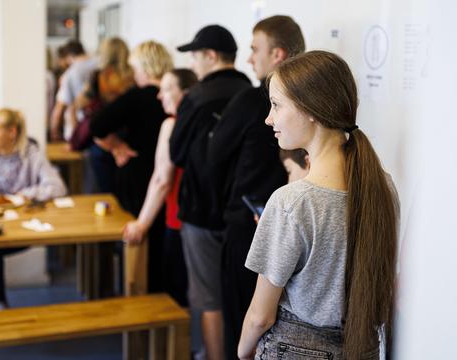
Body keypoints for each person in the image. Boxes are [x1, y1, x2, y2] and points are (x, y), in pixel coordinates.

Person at [237, 51, 398, 360]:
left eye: (276, 105)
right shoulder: (384, 187)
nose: (268, 118)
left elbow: (261, 316)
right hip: (364, 348)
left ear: (310, 108)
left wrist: (242, 351)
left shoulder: (291, 202)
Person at [206, 15, 305, 359]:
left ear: (277, 54)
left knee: (249, 324)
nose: (270, 120)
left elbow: (214, 154)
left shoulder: (251, 100)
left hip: (254, 226)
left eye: (254, 50)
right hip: (275, 226)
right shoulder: (301, 109)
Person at [170, 24, 252, 360]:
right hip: (242, 212)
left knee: (207, 298)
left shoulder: (197, 96)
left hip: (201, 211)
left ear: (210, 56)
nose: (192, 65)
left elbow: (176, 153)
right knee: (239, 294)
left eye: (195, 56)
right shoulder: (252, 92)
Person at [90, 40, 172, 294]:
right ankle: (159, 294)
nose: (133, 73)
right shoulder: (178, 94)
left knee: (138, 237)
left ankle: (136, 291)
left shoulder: (138, 96)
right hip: (170, 177)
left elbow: (97, 126)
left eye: (135, 67)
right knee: (161, 241)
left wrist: (116, 147)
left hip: (138, 176)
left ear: (145, 67)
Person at [0, 108, 66, 311]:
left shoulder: (31, 154)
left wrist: (27, 194)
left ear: (12, 132)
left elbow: (57, 187)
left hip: (25, 227)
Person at [122, 68, 197, 306]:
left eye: (166, 90)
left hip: (178, 218)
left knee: (175, 296)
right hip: (203, 222)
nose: (159, 96)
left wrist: (142, 223)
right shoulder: (205, 121)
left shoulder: (172, 125)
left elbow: (161, 179)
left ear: (184, 93)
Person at [74, 37, 135, 192]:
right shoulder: (132, 77)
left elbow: (80, 103)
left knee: (101, 189)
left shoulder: (98, 76)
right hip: (127, 137)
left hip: (102, 138)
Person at [49, 40, 98, 141]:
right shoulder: (100, 64)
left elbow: (60, 107)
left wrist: (54, 132)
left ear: (69, 56)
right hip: (104, 125)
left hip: (80, 128)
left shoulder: (70, 74)